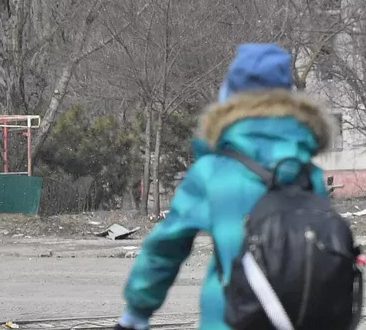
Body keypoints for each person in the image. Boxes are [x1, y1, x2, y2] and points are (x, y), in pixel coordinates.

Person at [117, 44, 333, 330]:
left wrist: (137, 311)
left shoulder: (212, 172)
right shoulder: (310, 174)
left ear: (229, 97)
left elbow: (166, 248)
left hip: (230, 319)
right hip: (298, 318)